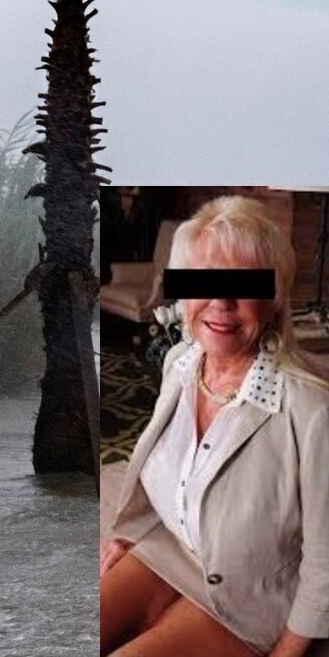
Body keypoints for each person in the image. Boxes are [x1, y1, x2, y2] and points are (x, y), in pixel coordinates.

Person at [101, 195, 329, 656]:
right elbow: (165, 464)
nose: (221, 302)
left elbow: (327, 557)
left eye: (244, 286)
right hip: (168, 549)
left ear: (274, 299)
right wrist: (129, 532)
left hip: (247, 597)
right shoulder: (180, 361)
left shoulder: (311, 410)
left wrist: (289, 649)